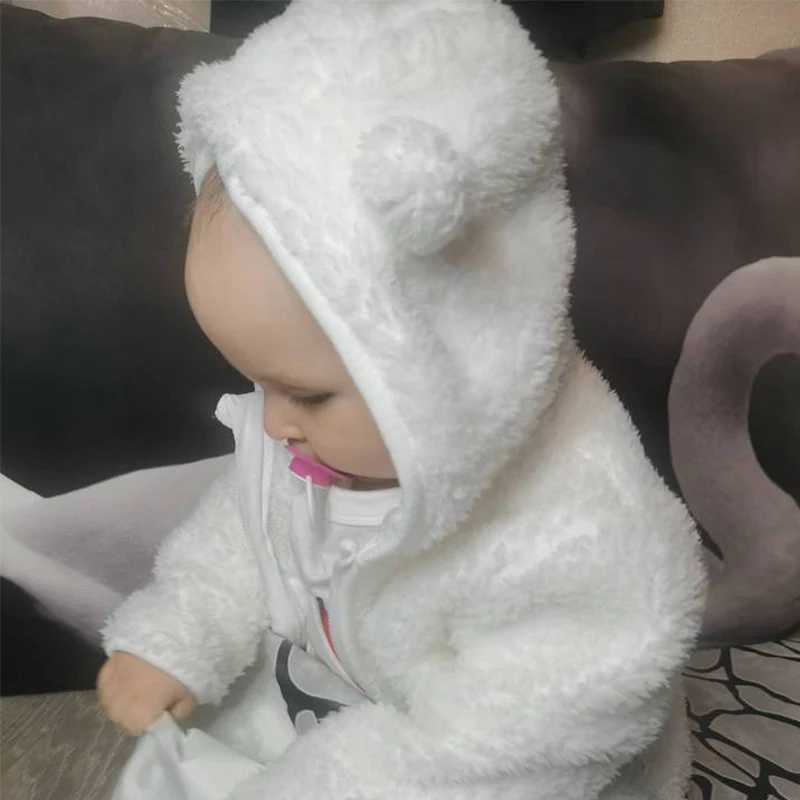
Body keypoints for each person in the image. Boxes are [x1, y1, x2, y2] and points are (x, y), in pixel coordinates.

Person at [98, 2, 706, 797]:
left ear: (454, 352)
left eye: (306, 394)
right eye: (256, 382)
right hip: (353, 705)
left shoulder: (582, 544)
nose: (274, 423)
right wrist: (179, 633)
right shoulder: (319, 444)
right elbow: (245, 535)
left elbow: (503, 753)